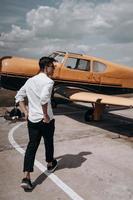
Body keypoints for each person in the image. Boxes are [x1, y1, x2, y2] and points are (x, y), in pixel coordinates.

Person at [15, 56, 57, 190]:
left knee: (32, 146)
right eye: (52, 66)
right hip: (46, 120)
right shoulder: (49, 82)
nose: (54, 69)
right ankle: (50, 164)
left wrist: (26, 112)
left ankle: (26, 177)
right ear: (46, 67)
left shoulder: (29, 81)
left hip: (32, 120)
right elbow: (44, 100)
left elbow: (19, 96)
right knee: (48, 141)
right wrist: (45, 115)